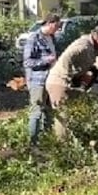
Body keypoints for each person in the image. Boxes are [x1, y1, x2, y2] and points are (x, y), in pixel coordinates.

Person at [45, 24, 98, 136]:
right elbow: (68, 57)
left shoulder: (90, 44)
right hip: (60, 82)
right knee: (63, 118)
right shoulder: (84, 46)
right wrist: (69, 75)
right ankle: (61, 148)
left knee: (72, 115)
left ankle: (68, 145)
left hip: (67, 82)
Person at [23, 14, 61, 148]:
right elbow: (27, 62)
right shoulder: (34, 38)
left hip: (51, 80)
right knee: (37, 112)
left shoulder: (51, 38)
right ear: (49, 23)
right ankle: (33, 143)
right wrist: (46, 60)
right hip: (38, 81)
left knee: (49, 112)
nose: (57, 29)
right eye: (56, 26)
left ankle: (47, 140)